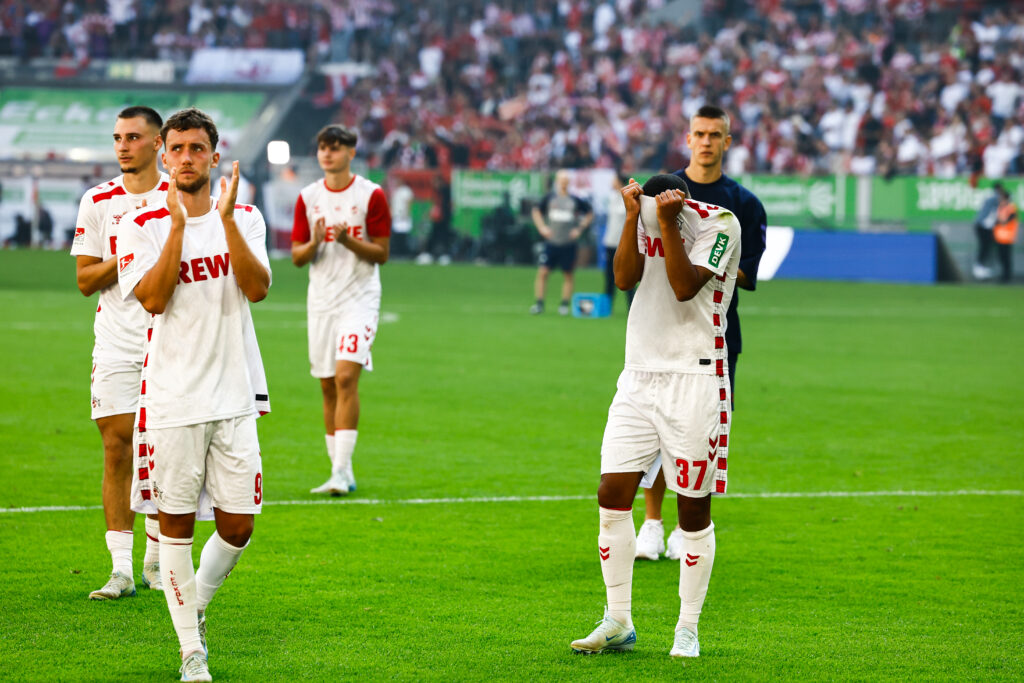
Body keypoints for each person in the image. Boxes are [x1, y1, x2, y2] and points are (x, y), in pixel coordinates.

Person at [117, 107, 272, 682]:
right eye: (176, 149)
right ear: (164, 153)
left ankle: (196, 604)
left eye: (195, 149)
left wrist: (224, 221)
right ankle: (191, 651)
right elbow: (154, 299)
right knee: (176, 527)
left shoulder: (247, 216)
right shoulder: (142, 224)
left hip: (233, 397)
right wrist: (179, 226)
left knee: (238, 527)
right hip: (172, 400)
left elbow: (255, 289)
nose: (185, 158)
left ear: (213, 153)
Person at [570, 173, 740, 658]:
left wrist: (665, 222)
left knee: (692, 508)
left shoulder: (720, 224)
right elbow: (624, 279)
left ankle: (687, 628)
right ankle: (618, 619)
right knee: (611, 492)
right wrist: (631, 218)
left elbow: (685, 287)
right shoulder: (642, 218)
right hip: (638, 376)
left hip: (696, 378)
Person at [635, 105, 767, 562]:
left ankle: (684, 527)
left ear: (727, 142)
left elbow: (747, 273)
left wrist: (711, 259)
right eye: (699, 133)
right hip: (659, 330)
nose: (706, 141)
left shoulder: (743, 206)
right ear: (687, 139)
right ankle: (651, 524)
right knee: (650, 428)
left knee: (696, 433)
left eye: (715, 134)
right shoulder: (663, 192)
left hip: (714, 333)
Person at [70, 105, 169, 600]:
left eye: (133, 137)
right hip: (115, 340)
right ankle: (120, 571)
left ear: (157, 144)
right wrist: (128, 254)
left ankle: (156, 558)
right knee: (117, 448)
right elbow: (86, 279)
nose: (122, 146)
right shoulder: (98, 199)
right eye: (117, 138)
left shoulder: (180, 198)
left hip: (172, 339)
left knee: (164, 452)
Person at [291, 125, 392, 496]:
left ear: (351, 152)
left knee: (347, 377)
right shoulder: (309, 197)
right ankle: (341, 472)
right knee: (328, 384)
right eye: (322, 148)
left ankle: (339, 472)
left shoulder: (371, 195)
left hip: (359, 298)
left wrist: (349, 239)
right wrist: (316, 241)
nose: (327, 154)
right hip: (321, 300)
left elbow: (382, 253)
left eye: (335, 148)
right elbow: (298, 258)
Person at [530, 169, 593, 315]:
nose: (564, 183)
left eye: (566, 180)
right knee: (543, 272)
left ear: (569, 182)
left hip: (568, 244)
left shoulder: (575, 200)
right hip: (551, 243)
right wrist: (542, 227)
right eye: (561, 180)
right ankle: (539, 303)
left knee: (568, 274)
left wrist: (579, 228)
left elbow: (589, 213)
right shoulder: (550, 198)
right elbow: (536, 211)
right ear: (557, 182)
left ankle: (564, 304)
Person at [602, 169, 634, 312]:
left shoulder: (629, 199)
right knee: (609, 276)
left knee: (628, 276)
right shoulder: (611, 198)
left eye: (614, 180)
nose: (611, 182)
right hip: (610, 242)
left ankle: (632, 308)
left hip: (624, 243)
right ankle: (607, 307)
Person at [973, 183, 1001, 280]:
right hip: (982, 226)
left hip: (986, 227)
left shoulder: (991, 199)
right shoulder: (993, 198)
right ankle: (979, 266)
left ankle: (981, 266)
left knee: (987, 246)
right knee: (984, 246)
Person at [993, 184, 1018, 283]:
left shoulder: (1011, 207)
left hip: (1007, 237)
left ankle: (1007, 276)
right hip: (999, 236)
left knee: (1006, 257)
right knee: (1001, 256)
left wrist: (1002, 221)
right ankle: (1004, 275)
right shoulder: (1000, 208)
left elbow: (1009, 219)